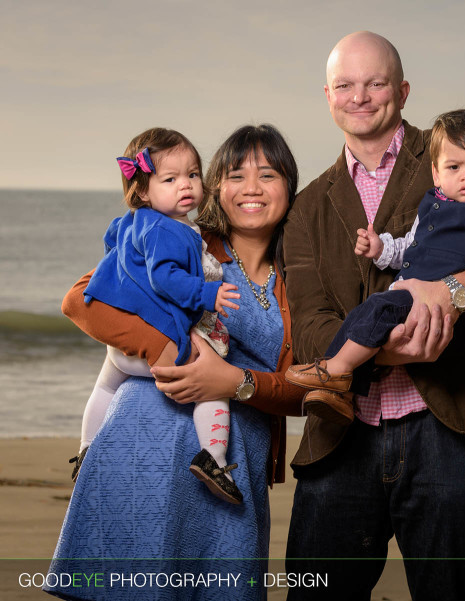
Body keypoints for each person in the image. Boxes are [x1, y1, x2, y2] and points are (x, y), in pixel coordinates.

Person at [281, 31, 465, 601]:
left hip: (452, 427)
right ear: (328, 95)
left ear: (403, 90)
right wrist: (388, 348)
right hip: (344, 435)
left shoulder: (459, 154)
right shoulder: (309, 206)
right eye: (345, 85)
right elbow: (311, 323)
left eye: (376, 83)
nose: (360, 97)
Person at [45, 124, 305, 601]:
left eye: (267, 174)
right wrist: (172, 350)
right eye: (234, 174)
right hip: (138, 438)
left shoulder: (305, 274)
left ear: (289, 185)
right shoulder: (182, 239)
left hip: (226, 461)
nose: (250, 188)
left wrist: (234, 381)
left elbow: (312, 387)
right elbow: (81, 299)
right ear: (217, 189)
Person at [284, 109, 465, 426]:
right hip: (409, 291)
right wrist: (382, 248)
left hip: (442, 317)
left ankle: (334, 370)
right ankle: (340, 387)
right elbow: (413, 246)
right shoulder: (434, 203)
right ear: (437, 174)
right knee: (368, 312)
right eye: (454, 167)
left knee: (379, 309)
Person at [74, 127, 245, 505]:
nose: (185, 185)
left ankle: (87, 448)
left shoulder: (131, 222)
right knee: (212, 387)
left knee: (104, 386)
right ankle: (213, 458)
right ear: (143, 190)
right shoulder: (169, 230)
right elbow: (165, 278)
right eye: (170, 179)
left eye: (193, 174)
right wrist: (208, 292)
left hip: (124, 348)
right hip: (160, 342)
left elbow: (111, 247)